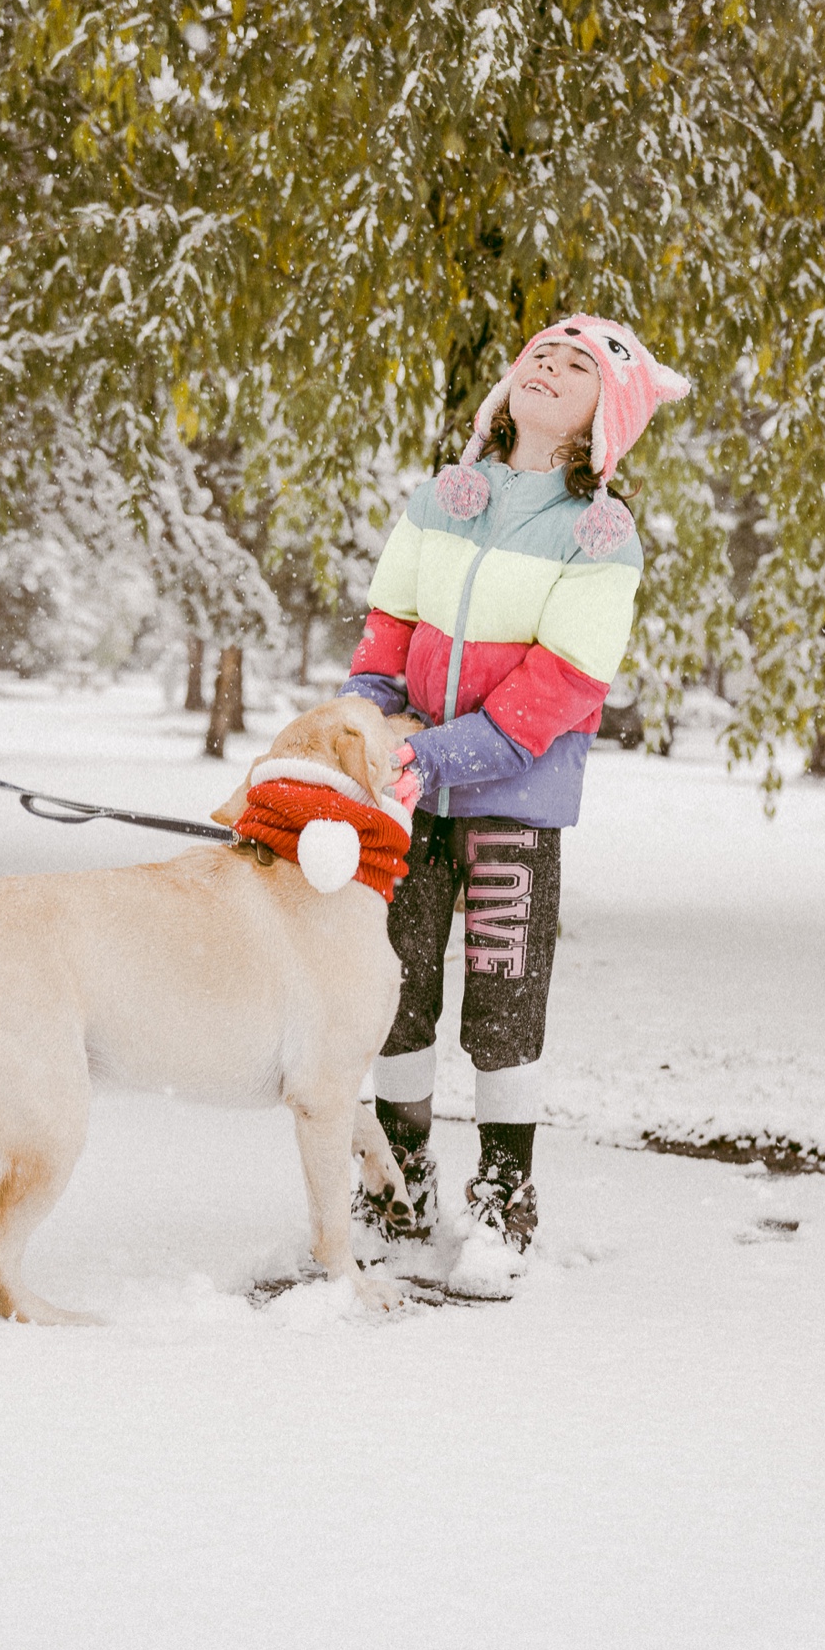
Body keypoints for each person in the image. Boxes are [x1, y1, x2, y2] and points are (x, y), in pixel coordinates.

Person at [341, 315, 689, 1252]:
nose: (551, 366)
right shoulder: (443, 500)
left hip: (514, 802)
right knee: (395, 990)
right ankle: (397, 1177)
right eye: (543, 352)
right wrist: (364, 727)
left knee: (502, 1002)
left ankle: (503, 1199)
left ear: (600, 422)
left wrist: (435, 753)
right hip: (406, 798)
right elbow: (386, 630)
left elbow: (561, 687)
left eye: (579, 366)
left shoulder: (601, 536)